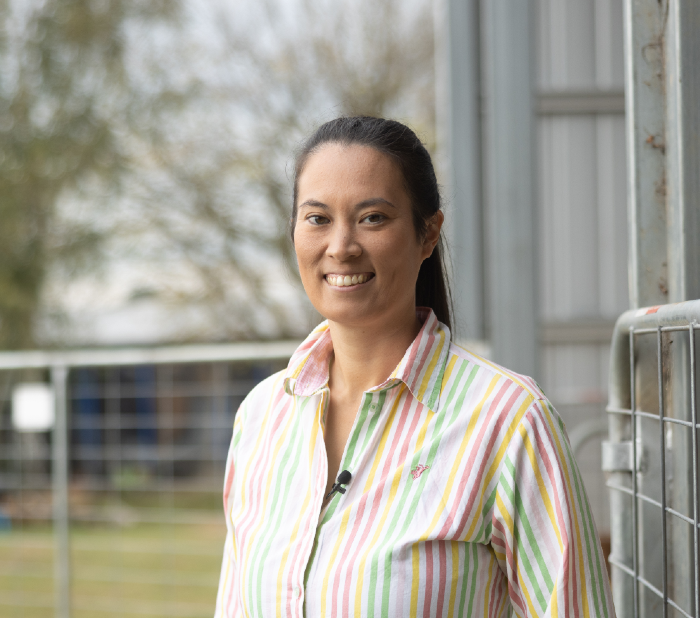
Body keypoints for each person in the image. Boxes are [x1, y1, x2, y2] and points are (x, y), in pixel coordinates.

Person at [214, 117, 614, 618]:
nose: (341, 246)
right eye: (317, 218)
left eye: (373, 218)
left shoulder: (508, 420)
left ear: (428, 235)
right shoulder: (260, 417)